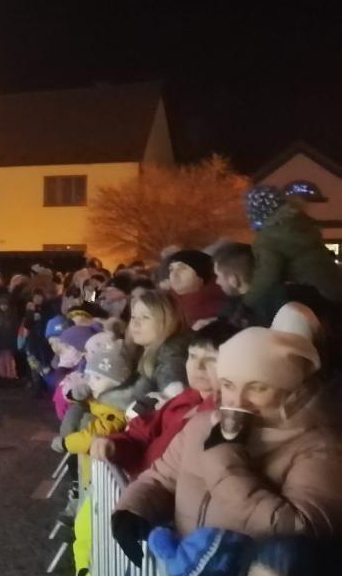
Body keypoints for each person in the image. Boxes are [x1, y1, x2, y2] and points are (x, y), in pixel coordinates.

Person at [114, 317, 342, 563]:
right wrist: (132, 510)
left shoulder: (321, 449)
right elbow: (162, 478)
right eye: (229, 385)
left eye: (258, 387)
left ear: (288, 389)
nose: (237, 400)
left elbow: (302, 533)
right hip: (182, 575)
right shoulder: (203, 424)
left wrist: (224, 460)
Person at [90, 320, 238, 478]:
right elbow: (142, 434)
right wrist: (114, 445)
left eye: (211, 360)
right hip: (143, 482)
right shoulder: (187, 398)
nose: (198, 366)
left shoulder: (224, 418)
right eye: (193, 356)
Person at [245, 185, 342, 325]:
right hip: (334, 289)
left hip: (313, 299)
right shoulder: (301, 224)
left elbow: (267, 276)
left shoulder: (268, 239)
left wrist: (246, 302)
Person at [166, 249, 226, 327]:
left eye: (182, 268)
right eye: (171, 269)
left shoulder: (224, 305)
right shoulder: (167, 303)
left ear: (201, 273)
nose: (174, 275)